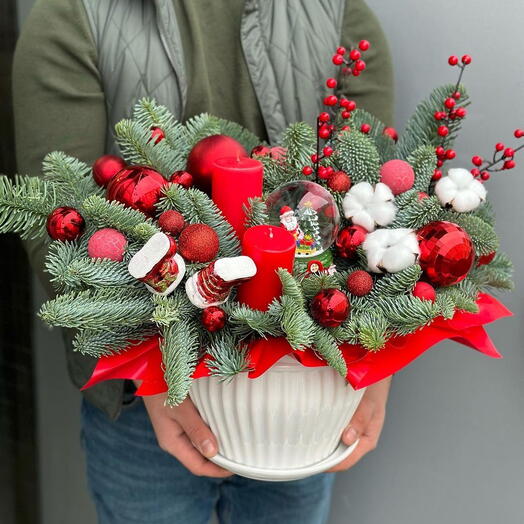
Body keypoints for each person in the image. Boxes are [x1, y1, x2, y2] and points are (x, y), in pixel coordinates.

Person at [13, 0, 394, 522]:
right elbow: (55, 222)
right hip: (144, 407)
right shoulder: (74, 14)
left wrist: (381, 361)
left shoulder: (336, 12)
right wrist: (153, 375)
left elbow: (380, 206)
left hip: (307, 388)